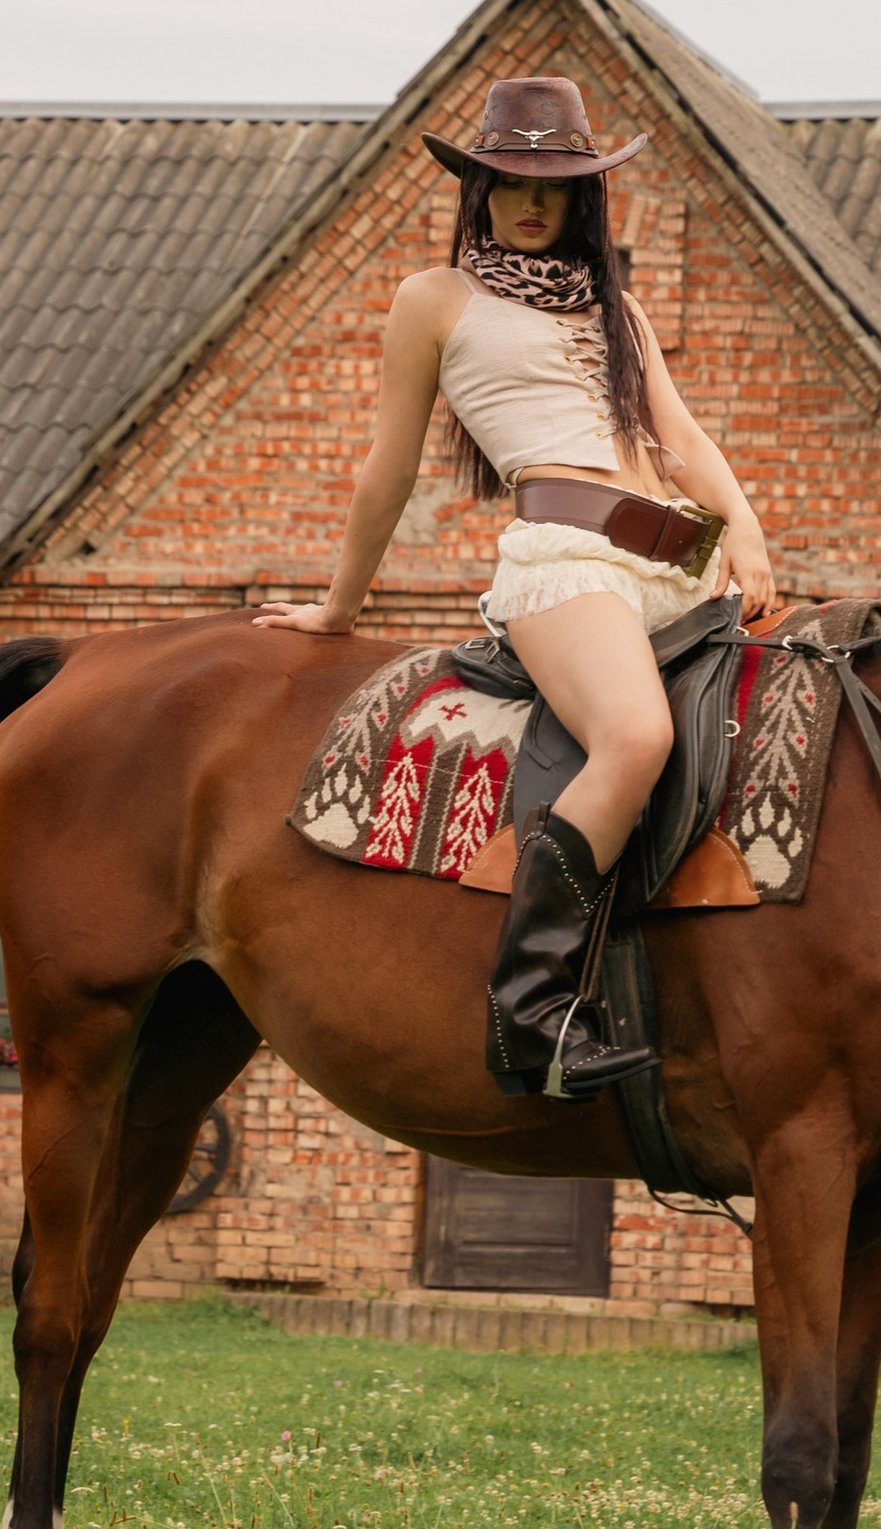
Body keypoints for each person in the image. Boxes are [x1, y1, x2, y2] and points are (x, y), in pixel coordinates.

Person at [258, 76, 776, 1095]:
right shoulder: (435, 300)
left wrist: (746, 533)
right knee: (636, 737)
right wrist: (339, 606)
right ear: (479, 189)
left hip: (679, 564)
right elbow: (389, 468)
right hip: (566, 561)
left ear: (584, 196)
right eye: (511, 180)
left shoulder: (617, 310)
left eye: (556, 184)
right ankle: (530, 1012)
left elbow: (679, 436)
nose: (532, 201)